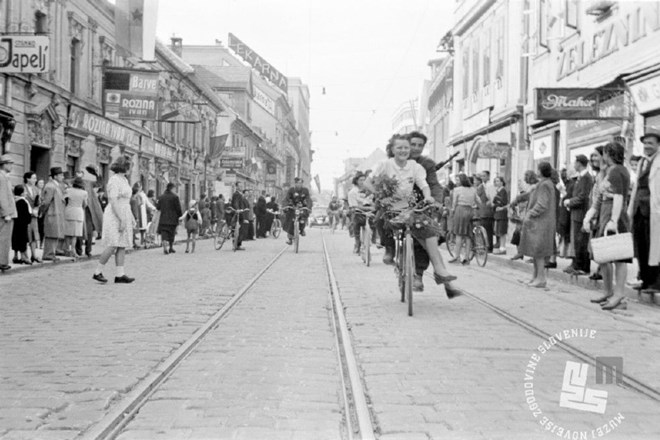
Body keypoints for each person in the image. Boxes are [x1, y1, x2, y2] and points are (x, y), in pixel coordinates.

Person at [366, 134, 460, 297]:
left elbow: (429, 185)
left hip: (415, 207)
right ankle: (389, 248)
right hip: (392, 208)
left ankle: (430, 272)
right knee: (381, 219)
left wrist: (433, 199)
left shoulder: (421, 166)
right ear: (394, 149)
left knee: (427, 232)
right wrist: (379, 194)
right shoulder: (386, 164)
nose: (411, 149)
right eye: (406, 146)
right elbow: (370, 182)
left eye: (417, 146)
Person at [583, 142, 631, 310]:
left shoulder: (618, 170)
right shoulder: (610, 171)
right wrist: (589, 216)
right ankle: (609, 292)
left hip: (614, 216)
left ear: (610, 154)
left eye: (604, 153)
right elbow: (600, 198)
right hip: (606, 214)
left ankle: (619, 296)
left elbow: (619, 196)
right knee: (604, 255)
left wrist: (614, 220)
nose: (602, 157)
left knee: (619, 258)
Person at [408, 130, 447, 292]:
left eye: (420, 145)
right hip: (399, 203)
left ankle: (418, 273)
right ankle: (391, 251)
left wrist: (437, 201)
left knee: (424, 234)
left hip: (420, 203)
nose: (416, 148)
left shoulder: (427, 164)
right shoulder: (397, 160)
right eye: (413, 144)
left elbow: (433, 184)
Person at [93, 156, 136, 284]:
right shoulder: (114, 180)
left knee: (122, 244)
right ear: (124, 167)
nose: (131, 169)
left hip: (125, 211)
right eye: (129, 167)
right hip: (114, 213)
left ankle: (120, 274)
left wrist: (131, 217)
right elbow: (113, 200)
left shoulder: (124, 180)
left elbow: (126, 201)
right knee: (112, 244)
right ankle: (97, 271)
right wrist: (121, 218)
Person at [628, 130, 660, 294]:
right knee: (641, 246)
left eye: (651, 143)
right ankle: (645, 280)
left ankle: (656, 282)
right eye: (645, 143)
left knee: (655, 246)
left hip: (654, 209)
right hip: (639, 210)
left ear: (658, 145)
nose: (647, 146)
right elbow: (636, 188)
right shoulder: (642, 162)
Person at [519, 162, 557, 288]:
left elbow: (542, 204)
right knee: (535, 251)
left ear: (541, 171)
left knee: (539, 251)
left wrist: (530, 214)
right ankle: (535, 277)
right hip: (539, 222)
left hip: (542, 222)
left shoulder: (545, 184)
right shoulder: (543, 183)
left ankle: (541, 278)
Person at [563, 155, 594, 276]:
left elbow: (582, 197)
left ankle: (583, 266)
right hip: (576, 213)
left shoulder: (586, 178)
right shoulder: (580, 177)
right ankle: (577, 264)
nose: (573, 165)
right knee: (576, 240)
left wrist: (569, 202)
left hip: (581, 213)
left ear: (579, 163)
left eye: (575, 162)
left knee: (581, 240)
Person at [448, 174, 478, 265]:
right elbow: (478, 201)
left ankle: (456, 256)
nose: (456, 182)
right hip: (470, 211)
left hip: (460, 210)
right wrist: (474, 206)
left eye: (457, 180)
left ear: (461, 181)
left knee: (459, 234)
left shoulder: (457, 190)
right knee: (468, 235)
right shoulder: (473, 189)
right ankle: (467, 258)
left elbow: (454, 204)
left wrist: (452, 213)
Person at [77, 165, 104, 258]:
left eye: (81, 173)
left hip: (88, 209)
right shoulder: (73, 182)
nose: (80, 174)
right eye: (78, 172)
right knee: (79, 231)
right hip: (78, 208)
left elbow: (99, 183)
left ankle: (88, 250)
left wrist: (97, 174)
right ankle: (78, 250)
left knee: (88, 231)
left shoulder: (88, 183)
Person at [41, 167, 66, 262]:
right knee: (51, 234)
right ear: (55, 176)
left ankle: (52, 253)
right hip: (52, 213)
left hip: (57, 213)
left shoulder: (56, 186)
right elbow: (46, 202)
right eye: (60, 175)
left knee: (55, 234)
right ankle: (48, 254)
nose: (62, 177)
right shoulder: (50, 186)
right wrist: (42, 212)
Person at [347, 172, 374, 254]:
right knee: (356, 224)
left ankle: (374, 239)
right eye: (360, 180)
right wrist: (368, 207)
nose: (363, 182)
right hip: (358, 211)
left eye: (364, 180)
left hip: (369, 211)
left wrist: (373, 206)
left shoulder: (369, 190)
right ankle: (357, 243)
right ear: (356, 181)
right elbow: (354, 206)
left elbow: (372, 201)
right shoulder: (352, 192)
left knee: (376, 221)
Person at [0, 154, 18, 272]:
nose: (12, 166)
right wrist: (6, 212)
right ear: (5, 164)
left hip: (7, 212)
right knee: (3, 238)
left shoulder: (4, 176)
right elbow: (2, 196)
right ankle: (2, 262)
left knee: (5, 238)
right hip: (5, 214)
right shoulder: (1, 177)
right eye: (10, 163)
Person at [63, 176, 88, 259]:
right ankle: (73, 250)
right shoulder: (84, 193)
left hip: (69, 211)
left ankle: (66, 249)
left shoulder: (68, 190)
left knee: (67, 232)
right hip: (78, 212)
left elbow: (63, 200)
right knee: (75, 233)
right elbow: (85, 204)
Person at [283, 177, 312, 245]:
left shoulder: (305, 190)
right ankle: (290, 238)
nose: (300, 184)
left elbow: (308, 200)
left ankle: (302, 229)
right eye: (298, 183)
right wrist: (285, 206)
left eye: (301, 183)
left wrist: (309, 207)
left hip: (302, 207)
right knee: (290, 220)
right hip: (292, 207)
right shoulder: (291, 190)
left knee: (303, 216)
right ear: (295, 183)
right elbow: (286, 199)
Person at [157, 182, 183, 255]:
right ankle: (171, 247)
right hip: (172, 219)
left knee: (164, 233)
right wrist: (180, 216)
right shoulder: (175, 197)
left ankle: (165, 247)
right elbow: (178, 208)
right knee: (171, 234)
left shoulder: (161, 197)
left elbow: (158, 207)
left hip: (163, 219)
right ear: (172, 188)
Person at [11, 185, 32, 265]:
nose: (26, 193)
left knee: (15, 239)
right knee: (23, 240)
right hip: (22, 224)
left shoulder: (14, 200)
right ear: (22, 193)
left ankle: (15, 256)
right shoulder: (23, 202)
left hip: (15, 223)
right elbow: (26, 214)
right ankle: (24, 257)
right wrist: (28, 221)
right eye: (25, 191)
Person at [23, 172, 41, 262]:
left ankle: (33, 255)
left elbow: (38, 201)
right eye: (33, 178)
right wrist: (30, 210)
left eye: (35, 178)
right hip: (25, 215)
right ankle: (25, 256)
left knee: (33, 235)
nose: (35, 180)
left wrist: (36, 209)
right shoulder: (23, 188)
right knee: (26, 235)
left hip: (34, 216)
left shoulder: (36, 189)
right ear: (27, 179)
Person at [230, 182, 250, 250]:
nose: (241, 187)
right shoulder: (236, 194)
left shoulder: (240, 194)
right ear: (237, 187)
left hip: (240, 212)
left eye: (242, 186)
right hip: (238, 213)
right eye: (240, 186)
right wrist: (238, 209)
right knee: (240, 229)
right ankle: (237, 244)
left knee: (238, 228)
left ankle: (236, 243)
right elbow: (236, 203)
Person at [480, 170, 496, 252]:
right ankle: (485, 245)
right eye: (481, 176)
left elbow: (493, 199)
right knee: (483, 230)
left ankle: (489, 247)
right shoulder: (482, 186)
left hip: (488, 212)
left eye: (484, 176)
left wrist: (489, 203)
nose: (482, 177)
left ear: (488, 177)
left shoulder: (490, 186)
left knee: (488, 230)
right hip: (482, 211)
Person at [492, 176, 509, 254]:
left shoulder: (503, 191)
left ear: (502, 182)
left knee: (502, 231)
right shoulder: (497, 191)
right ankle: (500, 246)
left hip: (502, 213)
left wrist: (496, 203)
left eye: (498, 181)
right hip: (497, 213)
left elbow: (503, 202)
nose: (496, 183)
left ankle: (503, 248)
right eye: (495, 181)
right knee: (498, 230)